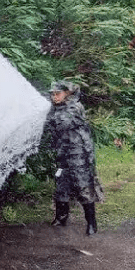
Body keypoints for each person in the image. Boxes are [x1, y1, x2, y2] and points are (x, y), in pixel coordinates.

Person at [41, 80, 104, 235]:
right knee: (61, 185)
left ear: (67, 94)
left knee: (82, 185)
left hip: (78, 153)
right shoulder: (55, 108)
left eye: (58, 94)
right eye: (52, 94)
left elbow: (63, 123)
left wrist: (46, 117)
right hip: (62, 153)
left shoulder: (75, 107)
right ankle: (61, 218)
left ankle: (91, 224)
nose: (54, 97)